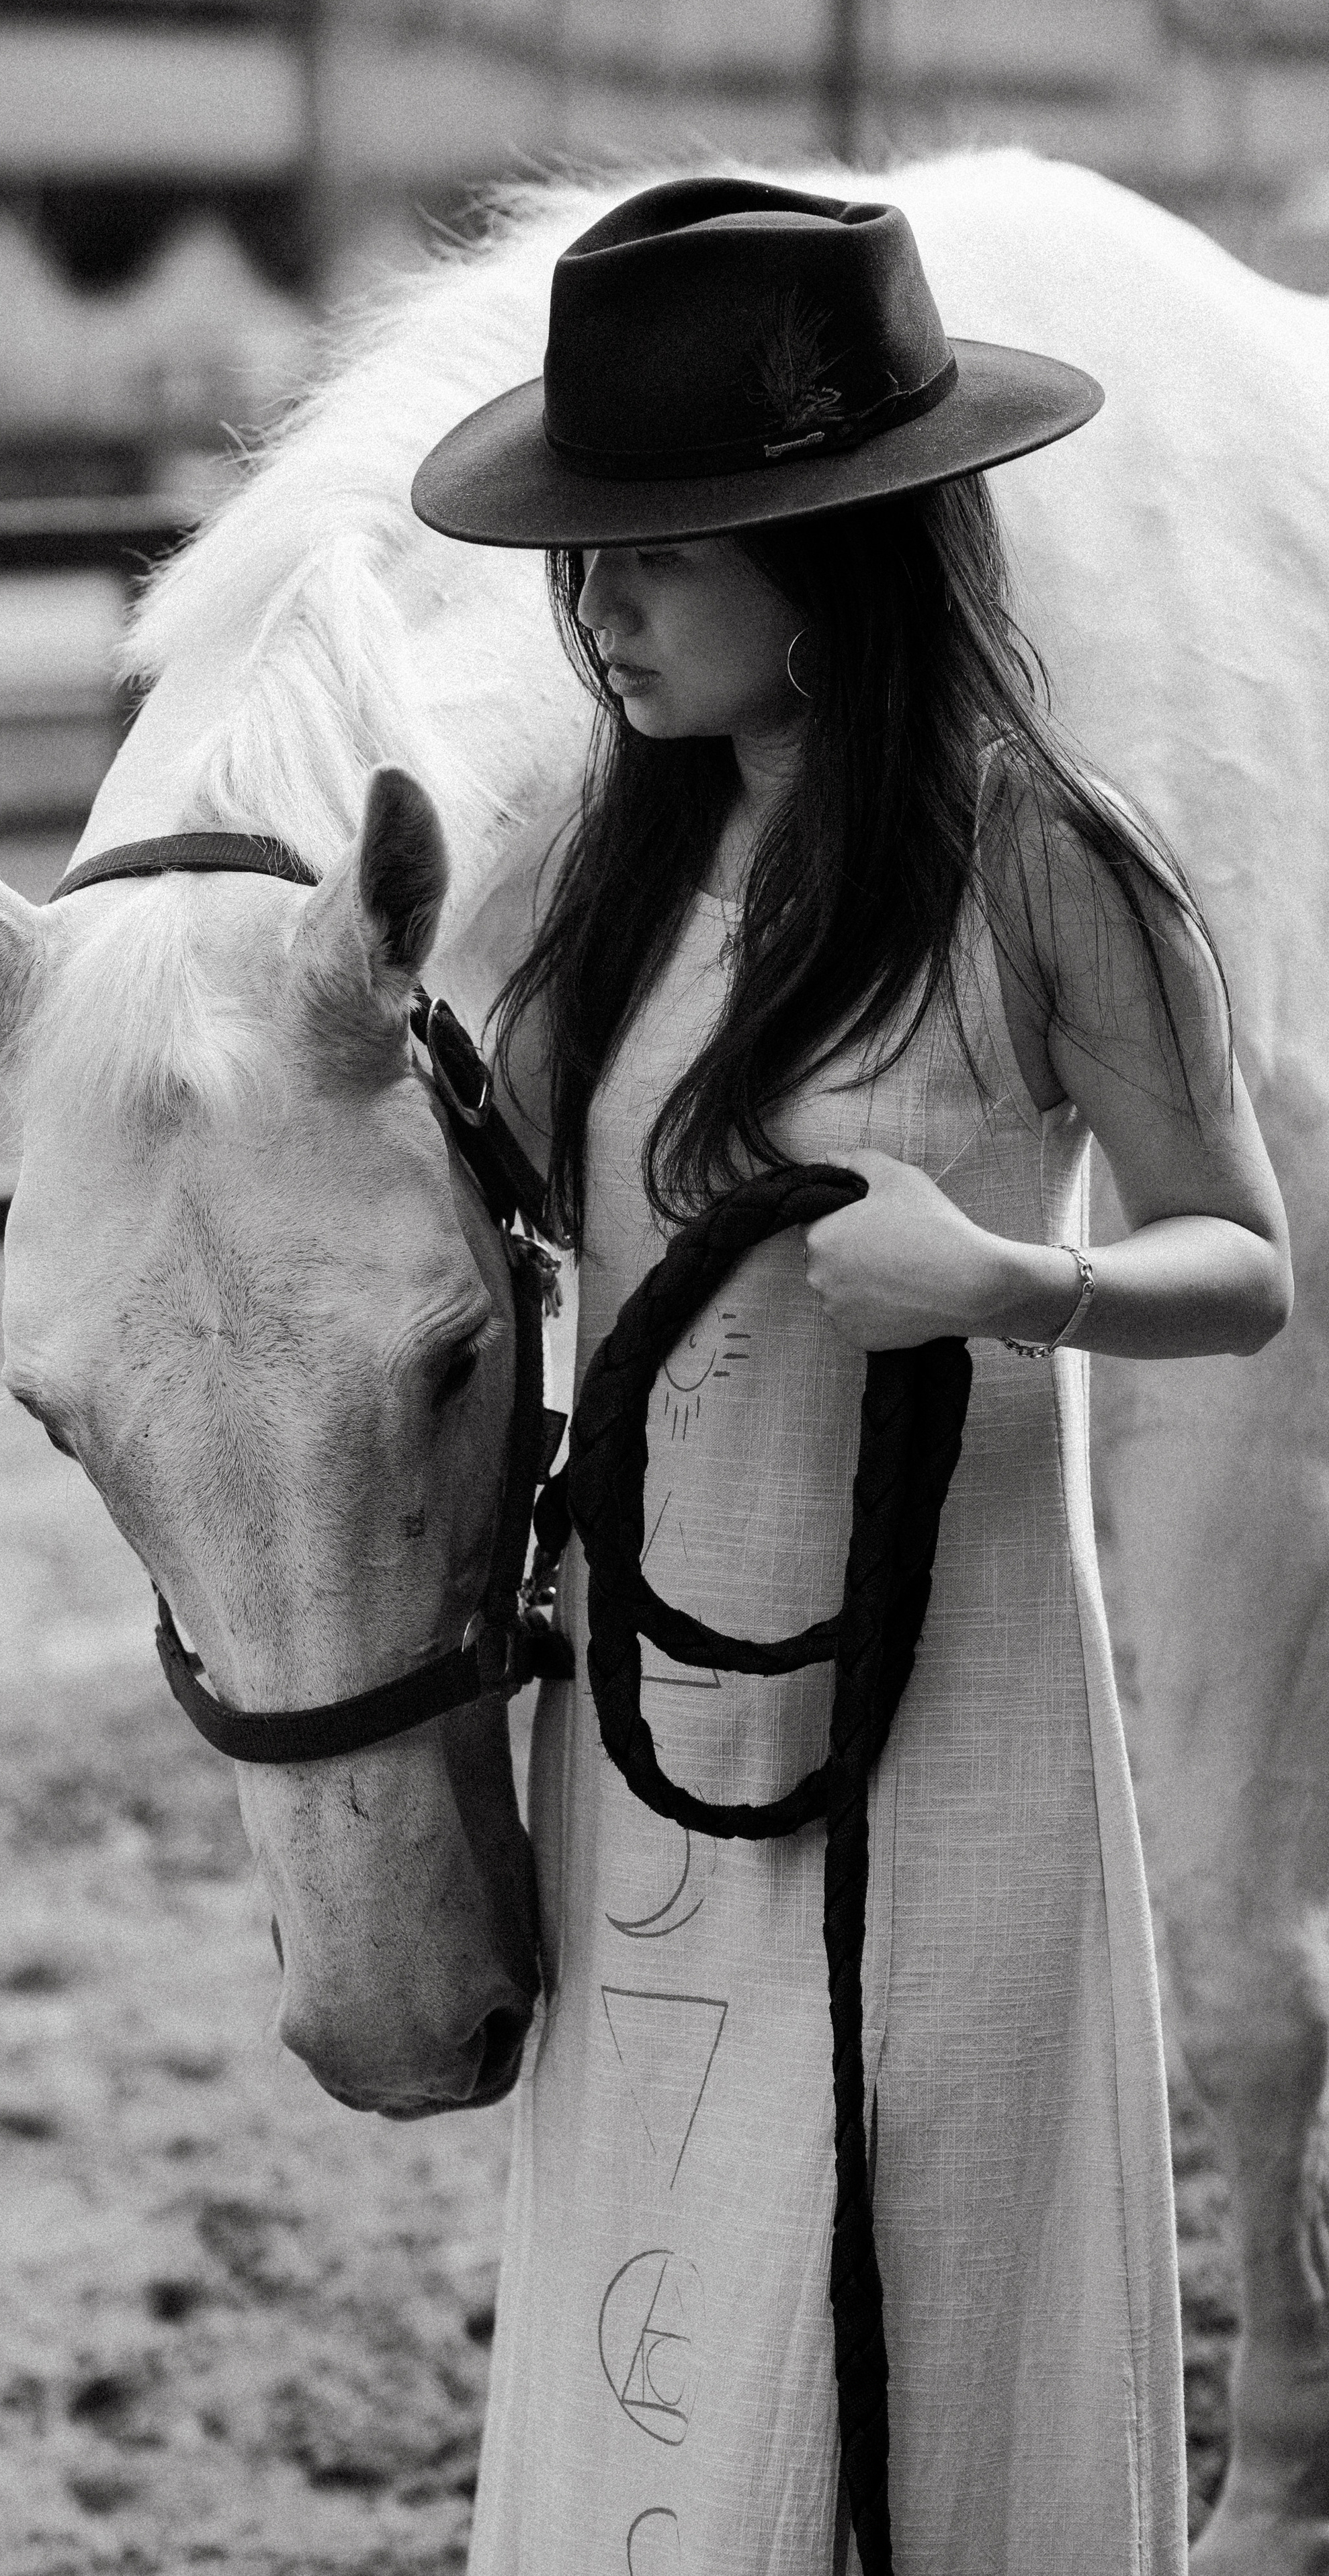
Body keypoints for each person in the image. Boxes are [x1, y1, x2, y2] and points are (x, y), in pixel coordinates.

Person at [410, 180, 1291, 2576]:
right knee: (677, 2272)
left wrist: (1021, 1277)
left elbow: (1242, 1263)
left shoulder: (1043, 866)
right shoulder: (587, 874)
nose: (593, 613)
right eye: (579, 564)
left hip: (960, 1691)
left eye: (653, 560)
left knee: (914, 2256)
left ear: (836, 549)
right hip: (659, 1705)